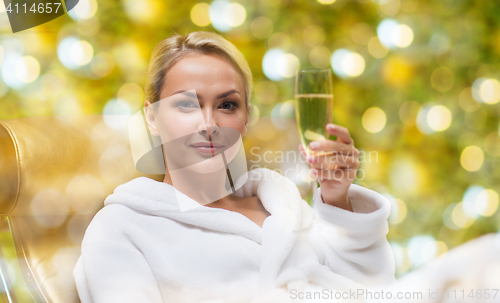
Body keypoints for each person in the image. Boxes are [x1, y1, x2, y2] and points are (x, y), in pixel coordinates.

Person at [73, 31, 396, 303]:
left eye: (227, 105)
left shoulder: (284, 208)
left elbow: (370, 291)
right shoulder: (121, 228)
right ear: (152, 117)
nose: (209, 124)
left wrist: (338, 202)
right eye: (187, 104)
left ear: (246, 119)